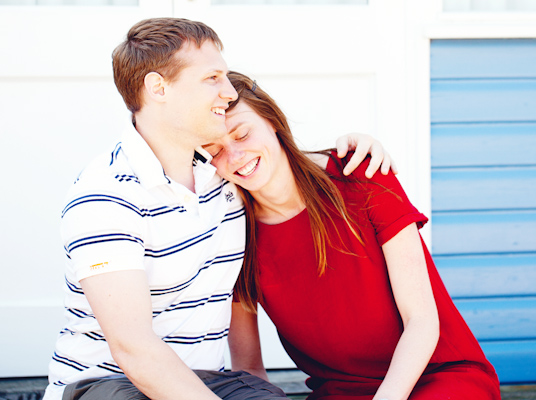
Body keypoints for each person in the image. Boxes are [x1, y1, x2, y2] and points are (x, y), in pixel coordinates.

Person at [43, 18, 393, 400]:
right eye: (212, 78)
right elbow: (134, 350)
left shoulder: (224, 176)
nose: (228, 92)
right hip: (108, 385)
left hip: (210, 382)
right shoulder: (106, 197)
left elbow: (283, 166)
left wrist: (354, 149)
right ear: (158, 87)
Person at [202, 71, 502, 400]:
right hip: (341, 392)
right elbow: (250, 369)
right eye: (213, 150)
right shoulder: (232, 234)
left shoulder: (360, 174)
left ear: (271, 120)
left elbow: (421, 319)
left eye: (242, 134)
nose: (234, 155)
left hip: (439, 375)